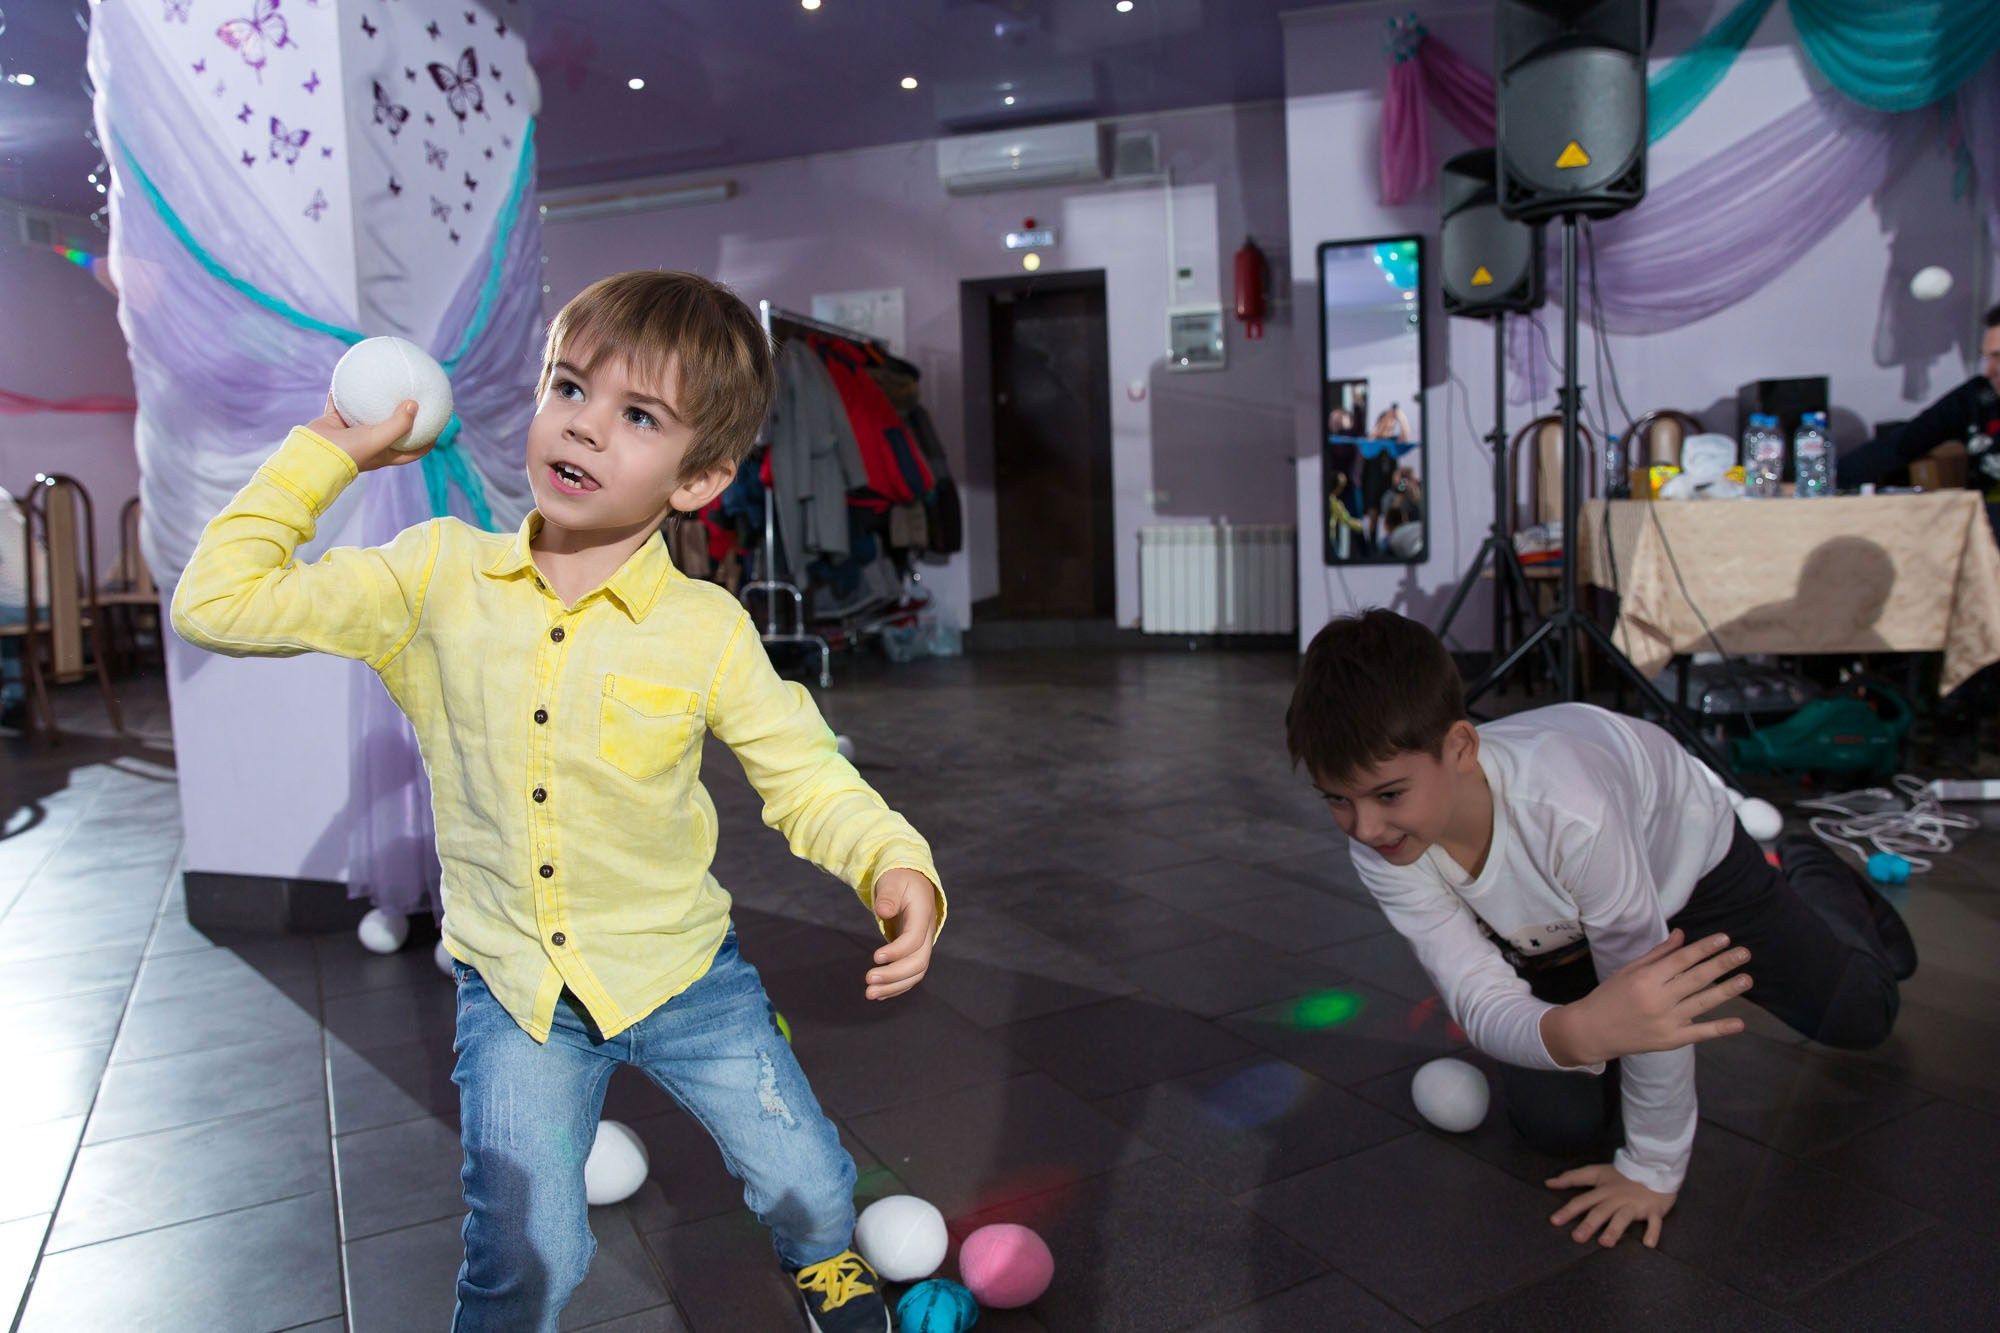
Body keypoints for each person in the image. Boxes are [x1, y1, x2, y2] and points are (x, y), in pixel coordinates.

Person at [173, 271, 945, 1333]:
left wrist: (892, 865)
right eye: (569, 388)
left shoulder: (705, 628)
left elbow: (803, 772)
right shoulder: (434, 577)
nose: (582, 427)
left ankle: (823, 1265)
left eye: (637, 416)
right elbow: (217, 602)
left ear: (700, 478)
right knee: (523, 1249)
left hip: (684, 973)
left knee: (809, 1176)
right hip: (516, 991)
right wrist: (328, 454)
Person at [1285, 610, 1915, 1249]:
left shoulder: (1568, 812)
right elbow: (1472, 989)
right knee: (1559, 1126)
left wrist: (1653, 1168)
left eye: (1389, 795)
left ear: (1460, 749)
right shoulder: (1381, 847)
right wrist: (1572, 1032)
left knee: (1863, 1014)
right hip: (1566, 921)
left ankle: (1812, 868)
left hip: (1690, 864)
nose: (1363, 828)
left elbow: (1652, 1002)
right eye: (1337, 799)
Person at [1840, 302, 2000, 767]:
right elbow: (1902, 445)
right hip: (1978, 557)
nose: (1993, 368)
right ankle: (1944, 740)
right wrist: (1815, 479)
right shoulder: (1977, 397)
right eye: (1989, 356)